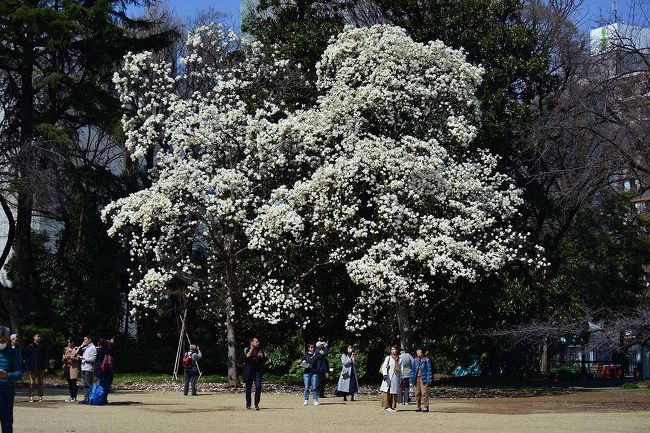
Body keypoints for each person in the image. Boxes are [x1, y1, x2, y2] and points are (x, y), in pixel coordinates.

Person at [0, 326, 21, 433]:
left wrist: (7, 375)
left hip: (6, 393)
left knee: (7, 423)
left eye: (3, 339)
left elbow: (18, 373)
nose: (0, 341)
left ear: (8, 339)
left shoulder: (13, 353)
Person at [24, 333, 48, 403]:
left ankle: (40, 396)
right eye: (38, 336)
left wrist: (46, 367)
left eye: (40, 336)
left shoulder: (43, 346)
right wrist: (28, 368)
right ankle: (31, 396)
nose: (39, 337)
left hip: (41, 367)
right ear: (34, 337)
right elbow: (27, 358)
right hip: (32, 367)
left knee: (41, 383)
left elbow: (46, 357)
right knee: (31, 383)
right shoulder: (29, 346)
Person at [243, 337, 264, 410]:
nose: (258, 343)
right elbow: (247, 356)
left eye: (258, 342)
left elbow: (263, 359)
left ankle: (256, 404)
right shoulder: (247, 349)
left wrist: (261, 356)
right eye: (256, 342)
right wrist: (252, 350)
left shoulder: (260, 350)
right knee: (248, 388)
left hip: (257, 371)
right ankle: (248, 404)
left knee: (258, 386)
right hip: (249, 371)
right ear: (252, 343)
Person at [410, 346, 433, 413]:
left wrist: (429, 379)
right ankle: (418, 406)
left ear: (422, 352)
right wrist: (411, 379)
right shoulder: (415, 360)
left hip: (424, 378)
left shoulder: (426, 360)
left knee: (424, 393)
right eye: (417, 351)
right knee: (417, 393)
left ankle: (425, 407)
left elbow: (429, 370)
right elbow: (413, 370)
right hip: (416, 378)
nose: (417, 352)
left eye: (419, 351)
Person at [380, 345, 401, 412]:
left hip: (396, 377)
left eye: (394, 349)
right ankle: (387, 406)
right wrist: (385, 374)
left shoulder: (400, 359)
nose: (392, 351)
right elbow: (384, 366)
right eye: (392, 349)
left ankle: (392, 406)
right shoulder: (388, 357)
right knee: (387, 391)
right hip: (388, 377)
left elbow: (401, 369)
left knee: (393, 392)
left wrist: (401, 378)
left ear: (397, 350)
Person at [76, 335, 96, 405]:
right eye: (84, 340)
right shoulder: (86, 347)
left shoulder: (93, 348)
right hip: (83, 367)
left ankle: (89, 399)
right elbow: (76, 352)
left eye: (85, 340)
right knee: (85, 385)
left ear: (89, 340)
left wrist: (83, 358)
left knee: (88, 384)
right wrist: (81, 345)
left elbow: (93, 359)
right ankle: (86, 399)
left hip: (89, 368)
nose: (84, 341)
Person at [95, 338, 113, 404]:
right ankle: (105, 398)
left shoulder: (99, 351)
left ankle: (100, 398)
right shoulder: (109, 350)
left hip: (100, 369)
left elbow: (96, 358)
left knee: (101, 384)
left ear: (99, 343)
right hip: (108, 369)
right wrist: (109, 344)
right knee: (106, 384)